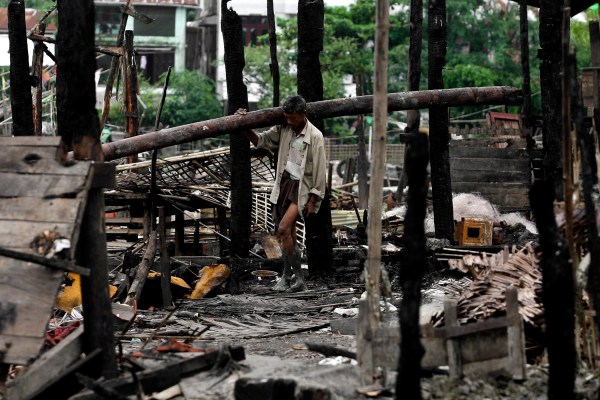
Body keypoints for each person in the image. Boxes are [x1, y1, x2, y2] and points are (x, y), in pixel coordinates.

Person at [238, 95, 327, 292]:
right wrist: (244, 125)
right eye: (286, 117)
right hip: (284, 183)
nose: (289, 121)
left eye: (293, 117)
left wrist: (314, 199)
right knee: (288, 233)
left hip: (302, 187)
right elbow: (260, 141)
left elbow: (321, 171)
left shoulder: (315, 136)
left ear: (303, 114)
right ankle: (292, 279)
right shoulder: (284, 129)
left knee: (284, 229)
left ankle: (293, 277)